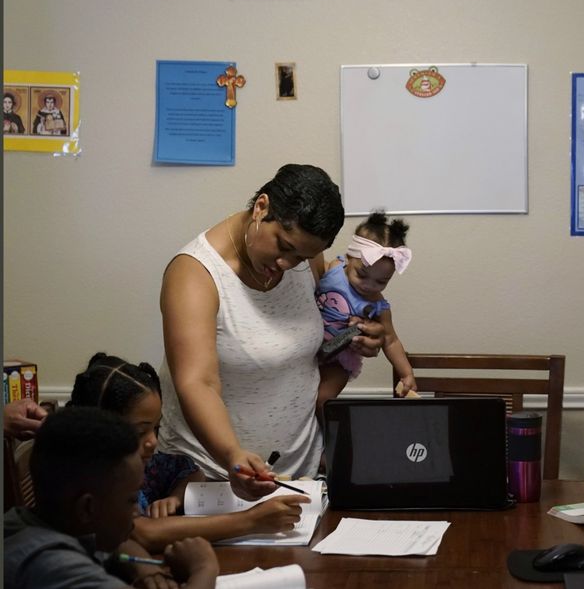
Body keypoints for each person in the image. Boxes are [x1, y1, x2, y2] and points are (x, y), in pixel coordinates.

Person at [157, 164, 385, 501]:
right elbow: (197, 382)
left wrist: (362, 337)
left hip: (300, 478)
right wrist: (232, 455)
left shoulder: (305, 257)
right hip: (211, 477)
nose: (287, 264)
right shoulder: (196, 274)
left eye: (302, 256)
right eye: (283, 246)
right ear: (261, 208)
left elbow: (321, 332)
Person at [69, 353, 309, 554]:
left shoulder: (146, 465)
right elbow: (142, 534)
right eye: (140, 432)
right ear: (98, 425)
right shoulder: (93, 480)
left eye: (156, 428)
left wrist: (175, 496)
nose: (153, 442)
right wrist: (251, 521)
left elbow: (189, 470)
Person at [4, 406, 219, 589]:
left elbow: (113, 547)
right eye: (132, 499)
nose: (137, 512)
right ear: (87, 508)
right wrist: (204, 568)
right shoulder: (55, 566)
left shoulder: (25, 523)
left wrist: (144, 566)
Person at [315, 211, 417, 399]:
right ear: (348, 258)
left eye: (381, 282)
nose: (368, 286)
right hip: (309, 347)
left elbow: (391, 340)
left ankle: (330, 428)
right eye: (361, 275)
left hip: (338, 359)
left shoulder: (378, 306)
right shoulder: (334, 267)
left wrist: (406, 373)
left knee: (321, 399)